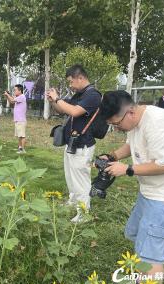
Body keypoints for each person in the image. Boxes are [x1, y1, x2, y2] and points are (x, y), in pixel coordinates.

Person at [99, 90, 164, 284]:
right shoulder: (135, 121)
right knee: (134, 232)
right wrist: (113, 155)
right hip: (152, 191)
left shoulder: (158, 123)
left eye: (116, 124)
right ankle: (153, 253)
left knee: (151, 255)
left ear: (130, 112)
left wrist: (127, 169)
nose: (116, 128)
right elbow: (131, 144)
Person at [46, 64, 101, 223]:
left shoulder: (93, 95)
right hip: (72, 142)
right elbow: (62, 110)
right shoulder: (80, 94)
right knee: (71, 176)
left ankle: (84, 212)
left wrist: (57, 98)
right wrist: (53, 101)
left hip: (83, 144)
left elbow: (75, 111)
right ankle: (73, 201)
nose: (70, 85)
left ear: (81, 78)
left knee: (81, 179)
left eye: (71, 82)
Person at [4, 84, 27, 154]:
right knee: (19, 135)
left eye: (15, 90)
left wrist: (7, 95)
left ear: (20, 90)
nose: (14, 91)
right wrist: (7, 96)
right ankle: (20, 148)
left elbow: (13, 100)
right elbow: (11, 101)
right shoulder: (18, 97)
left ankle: (23, 150)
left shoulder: (22, 96)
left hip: (21, 120)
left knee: (22, 135)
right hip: (18, 120)